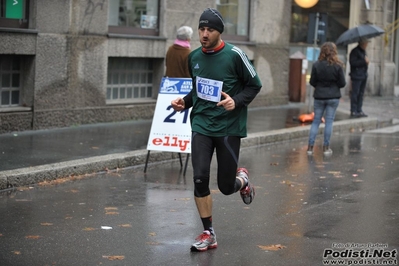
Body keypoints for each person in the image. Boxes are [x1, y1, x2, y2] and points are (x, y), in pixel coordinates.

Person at [170, 8, 262, 252]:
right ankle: (208, 232)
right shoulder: (194, 57)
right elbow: (199, 91)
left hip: (228, 127)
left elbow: (254, 85)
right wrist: (184, 102)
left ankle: (241, 180)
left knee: (224, 186)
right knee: (199, 178)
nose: (204, 34)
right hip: (201, 124)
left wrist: (236, 101)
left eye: (209, 29)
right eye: (201, 29)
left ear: (219, 32)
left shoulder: (235, 55)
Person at [306, 42, 346, 156]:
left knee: (316, 121)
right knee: (329, 122)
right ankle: (326, 147)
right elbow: (342, 83)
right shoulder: (338, 66)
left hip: (319, 96)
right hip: (333, 97)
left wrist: (320, 86)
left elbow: (312, 81)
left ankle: (310, 147)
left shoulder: (316, 65)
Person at [349, 37, 369, 118]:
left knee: (361, 93)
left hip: (363, 75)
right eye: (366, 43)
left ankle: (359, 109)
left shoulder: (363, 52)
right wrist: (364, 61)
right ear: (362, 43)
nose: (367, 45)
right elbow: (353, 63)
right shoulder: (355, 51)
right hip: (357, 75)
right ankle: (353, 110)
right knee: (355, 93)